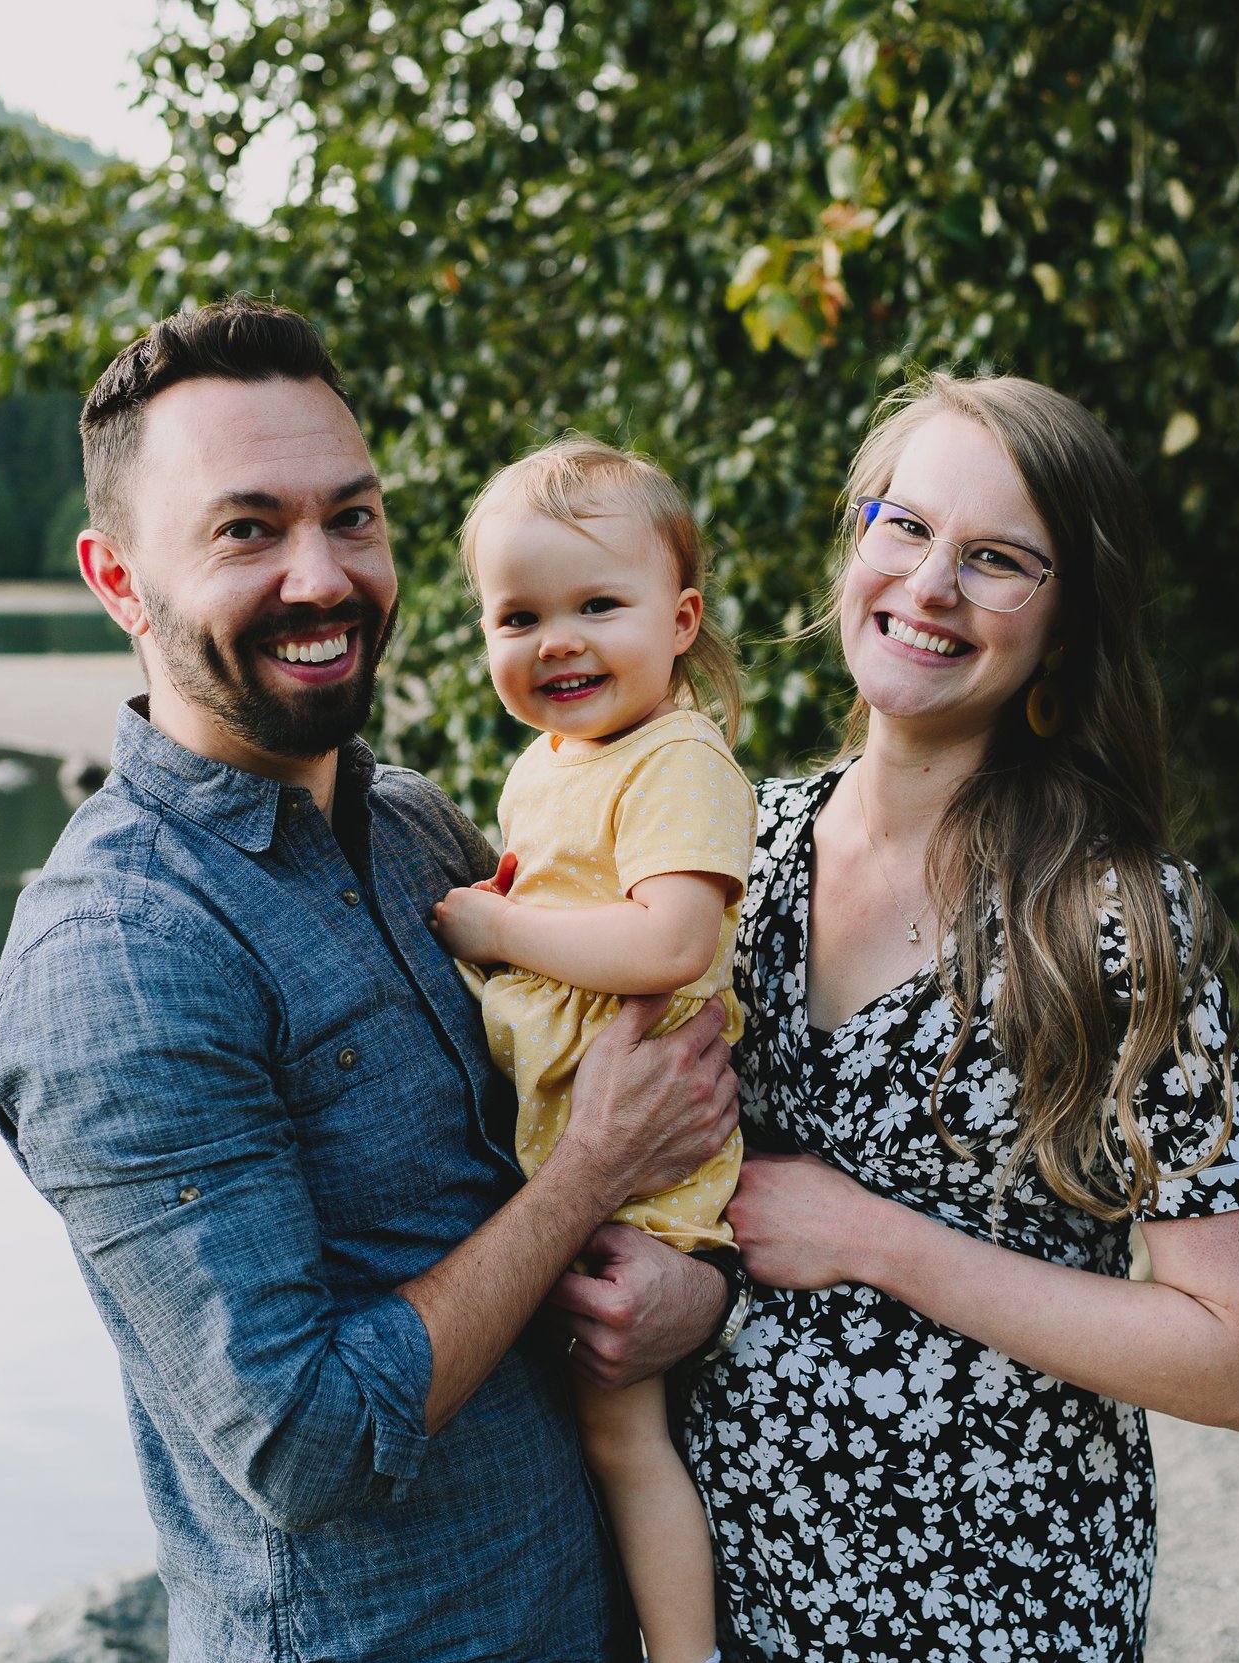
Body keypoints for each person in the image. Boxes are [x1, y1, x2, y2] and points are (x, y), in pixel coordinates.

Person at [0, 296, 740, 1663]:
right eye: (246, 527)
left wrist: (693, 1292)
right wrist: (588, 1174)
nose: (324, 575)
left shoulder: (420, 835)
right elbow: (304, 1437)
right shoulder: (118, 953)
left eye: (355, 516)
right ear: (116, 580)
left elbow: (618, 1145)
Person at [556, 372, 1239, 1662]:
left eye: (999, 559)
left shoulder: (1112, 921)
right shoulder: (728, 855)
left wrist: (876, 1237)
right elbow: (700, 1199)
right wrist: (683, 1289)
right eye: (903, 526)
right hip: (729, 1608)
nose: (931, 584)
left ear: (1065, 625)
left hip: (994, 1620)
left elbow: (1237, 1363)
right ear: (854, 544)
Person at [428, 439, 754, 1663]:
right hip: (568, 1129)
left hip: (648, 1157)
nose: (555, 640)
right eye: (518, 615)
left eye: (595, 606)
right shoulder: (549, 763)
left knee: (625, 1439)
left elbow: (670, 937)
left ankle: (684, 1655)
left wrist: (498, 925)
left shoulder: (675, 758)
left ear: (677, 622)